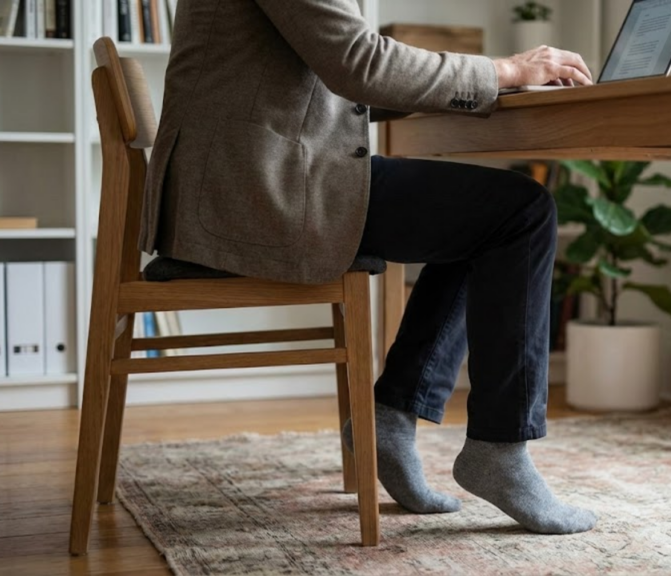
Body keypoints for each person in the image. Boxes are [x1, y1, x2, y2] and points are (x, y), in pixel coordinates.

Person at [142, 0, 597, 535]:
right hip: (252, 189)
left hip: (255, 177)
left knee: (486, 218)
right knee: (518, 213)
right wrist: (508, 71)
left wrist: (487, 80)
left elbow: (339, 75)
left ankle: (392, 418)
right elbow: (360, 62)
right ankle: (496, 448)